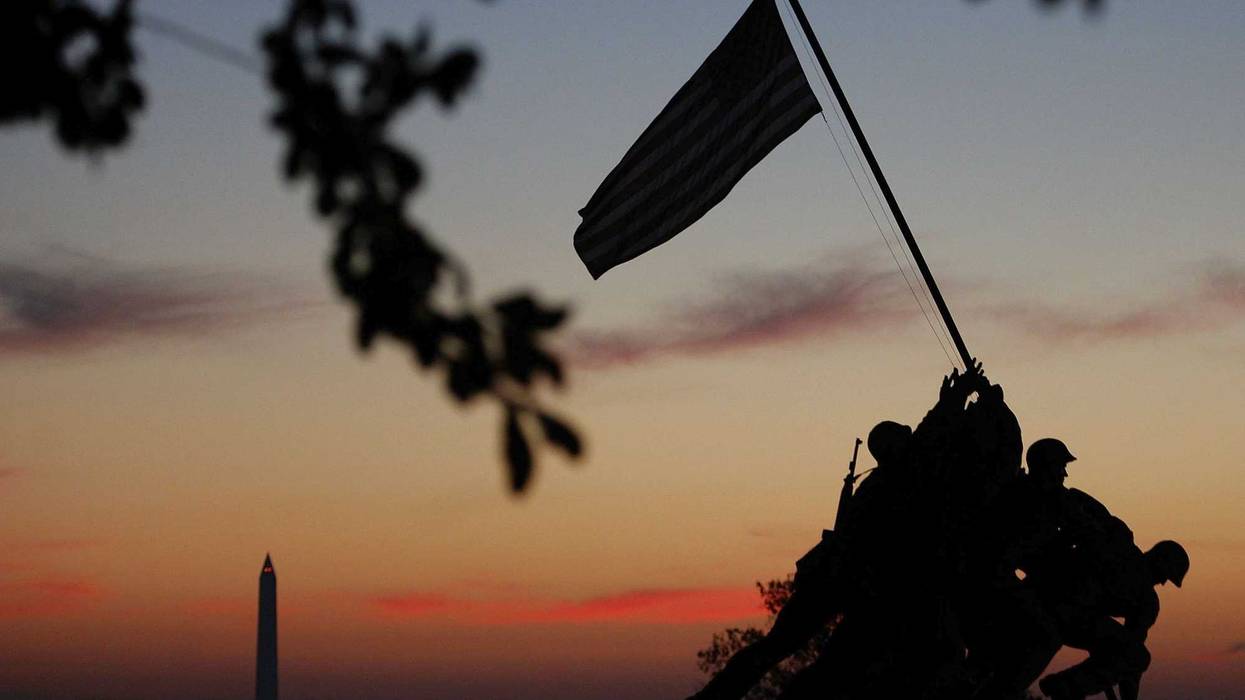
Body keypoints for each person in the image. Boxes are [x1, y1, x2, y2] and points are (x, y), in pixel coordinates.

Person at [1037, 540, 1189, 700]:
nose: (1163, 582)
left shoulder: (1123, 551)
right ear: (1160, 562)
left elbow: (1127, 653)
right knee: (1139, 656)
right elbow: (1132, 653)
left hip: (1064, 610)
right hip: (1068, 612)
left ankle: (1070, 685)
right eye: (1166, 576)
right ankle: (1069, 685)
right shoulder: (1146, 599)